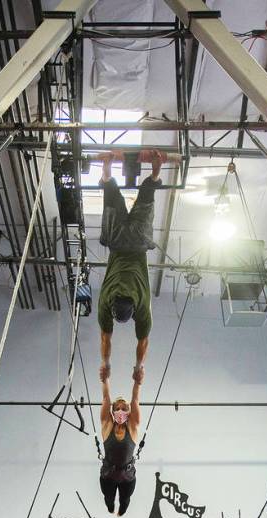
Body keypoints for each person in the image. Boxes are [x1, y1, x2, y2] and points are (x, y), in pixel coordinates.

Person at [97, 150, 164, 385]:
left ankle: (155, 171)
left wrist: (139, 368)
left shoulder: (142, 306)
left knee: (147, 198)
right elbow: (105, 339)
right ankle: (107, 170)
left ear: (133, 310)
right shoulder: (106, 300)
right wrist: (105, 364)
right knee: (111, 198)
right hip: (117, 241)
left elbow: (142, 343)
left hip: (137, 242)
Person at [99, 370, 141, 516]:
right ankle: (111, 508)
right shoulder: (107, 426)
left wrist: (137, 383)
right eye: (117, 409)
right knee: (109, 500)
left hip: (127, 477)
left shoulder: (133, 427)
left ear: (129, 412)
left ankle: (121, 509)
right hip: (108, 475)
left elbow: (135, 399)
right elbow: (105, 398)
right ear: (112, 411)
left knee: (125, 500)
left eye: (124, 409)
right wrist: (105, 381)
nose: (120, 411)